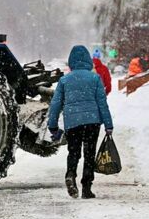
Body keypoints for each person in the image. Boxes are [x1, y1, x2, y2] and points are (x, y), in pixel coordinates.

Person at [48, 45, 114, 199]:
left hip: (72, 121)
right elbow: (102, 103)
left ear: (71, 61)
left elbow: (56, 104)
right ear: (87, 60)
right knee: (89, 153)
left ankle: (70, 175)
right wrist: (108, 124)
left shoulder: (64, 80)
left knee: (74, 152)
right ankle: (86, 187)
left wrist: (53, 125)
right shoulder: (94, 78)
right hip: (92, 121)